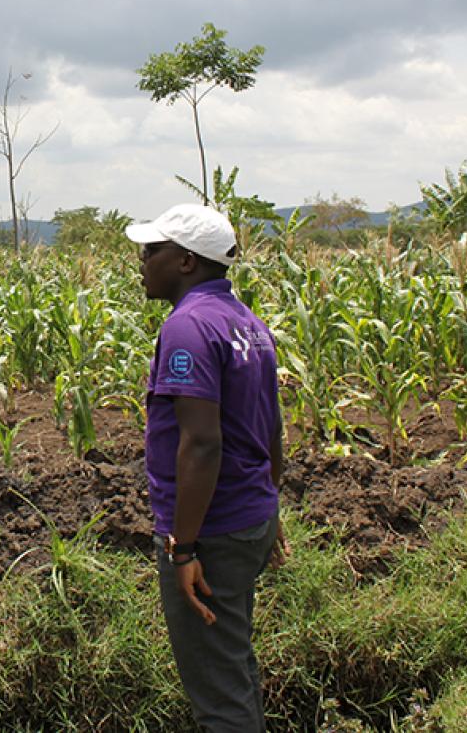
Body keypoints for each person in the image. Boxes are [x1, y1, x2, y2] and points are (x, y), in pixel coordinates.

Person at [126, 203, 287, 733]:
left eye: (153, 251)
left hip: (211, 531)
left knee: (218, 693)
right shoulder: (248, 323)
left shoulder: (189, 327)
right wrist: (271, 504)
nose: (142, 261)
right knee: (232, 663)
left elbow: (201, 444)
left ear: (187, 262)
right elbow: (270, 427)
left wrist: (184, 546)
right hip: (249, 516)